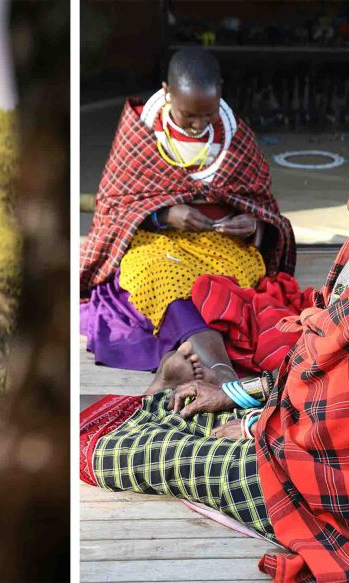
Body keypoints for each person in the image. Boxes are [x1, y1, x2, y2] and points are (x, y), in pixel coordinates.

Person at [80, 133, 349, 583]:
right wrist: (234, 392)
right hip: (329, 435)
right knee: (180, 406)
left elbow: (345, 416)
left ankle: (154, 427)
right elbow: (324, 369)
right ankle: (193, 392)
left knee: (130, 454)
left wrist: (250, 426)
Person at [79, 47, 295, 384]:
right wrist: (164, 216)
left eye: (207, 116)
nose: (197, 126)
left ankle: (183, 364)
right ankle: (221, 374)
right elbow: (114, 207)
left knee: (219, 287)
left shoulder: (236, 136)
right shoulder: (140, 133)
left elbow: (262, 204)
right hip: (157, 242)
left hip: (222, 244)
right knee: (163, 276)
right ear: (166, 91)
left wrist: (253, 225)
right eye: (187, 115)